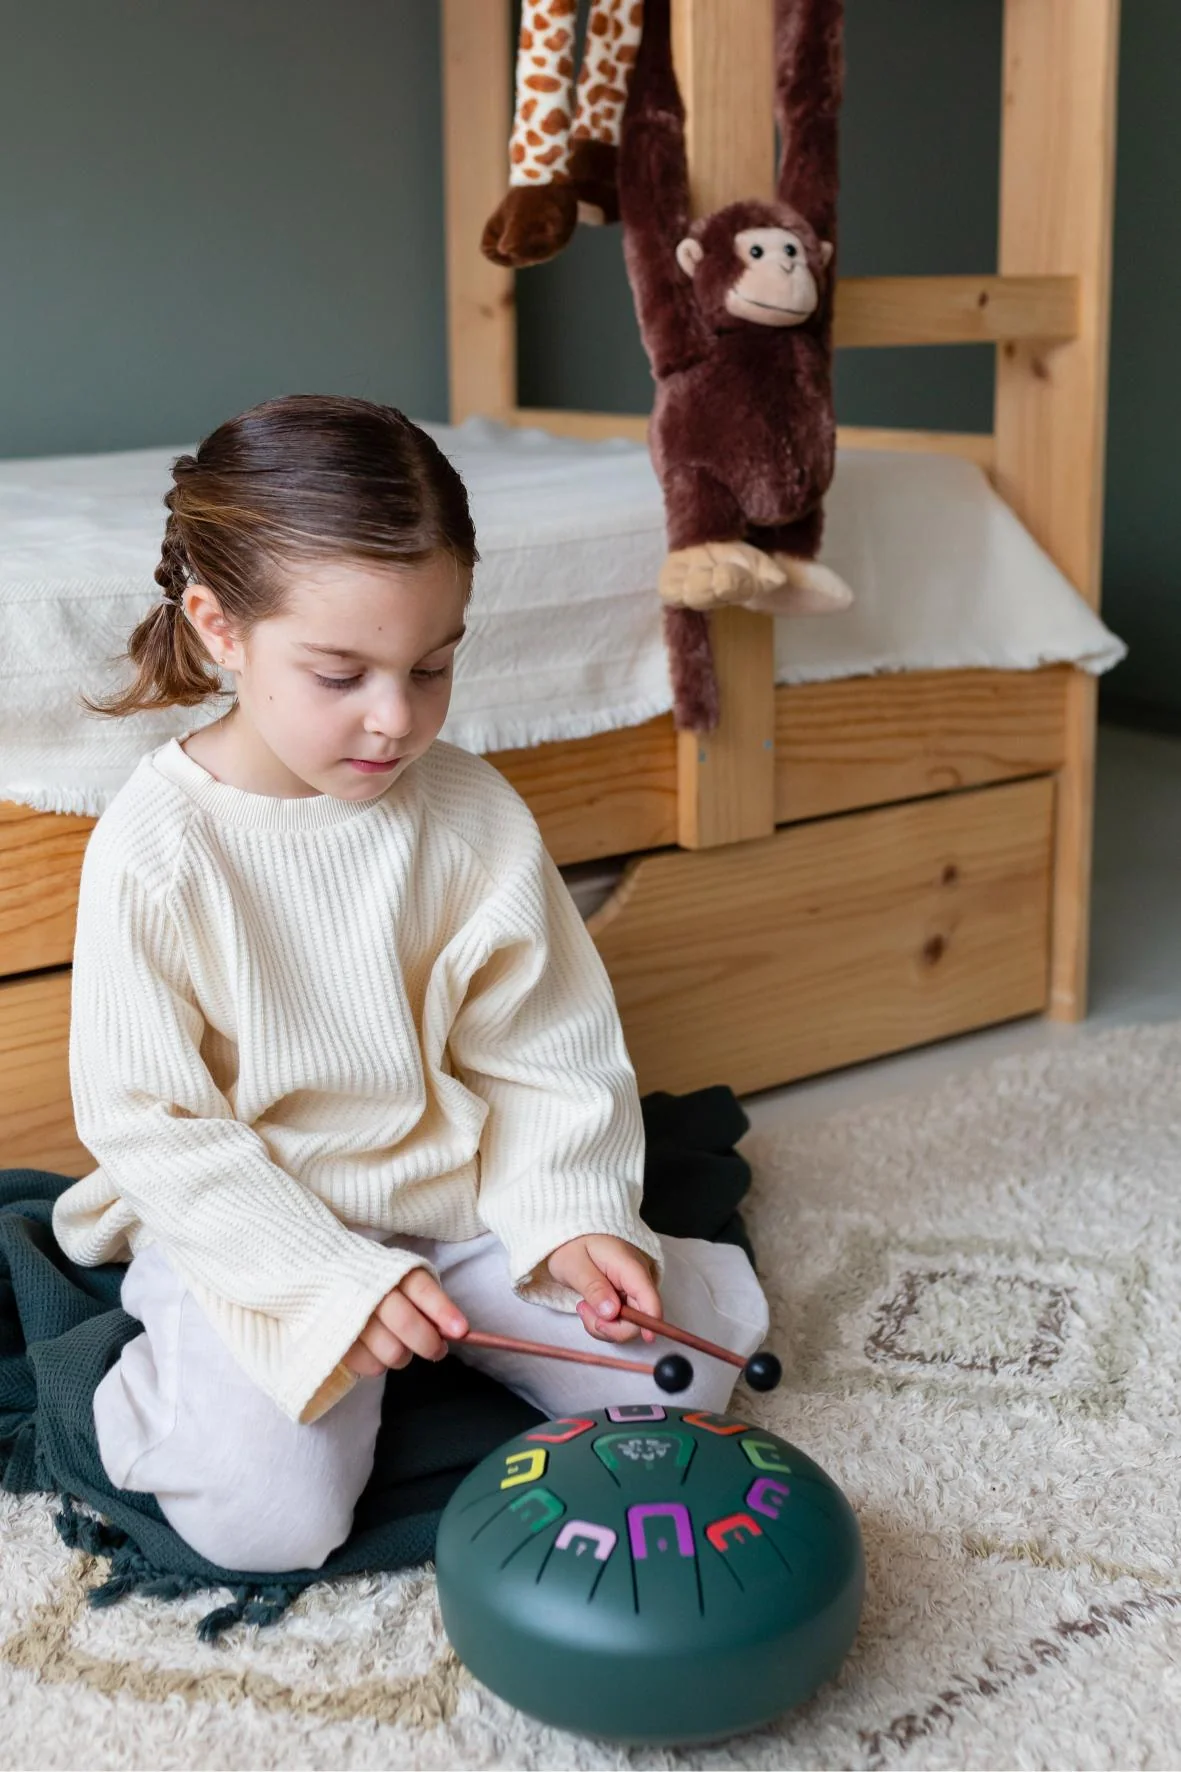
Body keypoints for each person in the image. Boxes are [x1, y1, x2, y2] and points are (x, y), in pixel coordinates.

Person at [55, 394, 769, 1575]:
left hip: (458, 1197)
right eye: (340, 673)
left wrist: (576, 1217)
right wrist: (330, 1281)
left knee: (695, 1379)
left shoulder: (469, 807)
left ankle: (605, 1272)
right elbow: (150, 1123)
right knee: (264, 1522)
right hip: (266, 1223)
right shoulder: (155, 843)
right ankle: (161, 1370)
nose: (396, 720)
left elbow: (545, 1048)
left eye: (431, 666)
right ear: (218, 625)